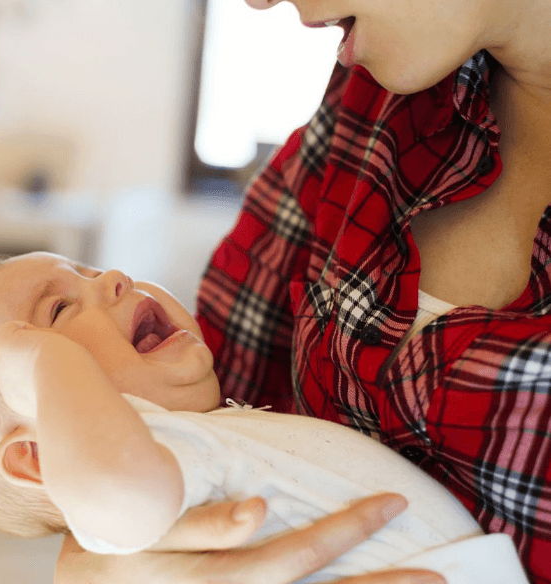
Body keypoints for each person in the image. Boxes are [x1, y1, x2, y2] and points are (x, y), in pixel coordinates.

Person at [55, 0, 551, 582]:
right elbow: (199, 392)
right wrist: (104, 560)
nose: (257, 1)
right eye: (60, 302)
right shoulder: (365, 107)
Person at [0, 252, 527, 583]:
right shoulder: (156, 458)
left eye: (92, 270)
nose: (117, 278)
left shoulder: (205, 440)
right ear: (38, 457)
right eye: (60, 310)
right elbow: (117, 490)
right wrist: (43, 361)